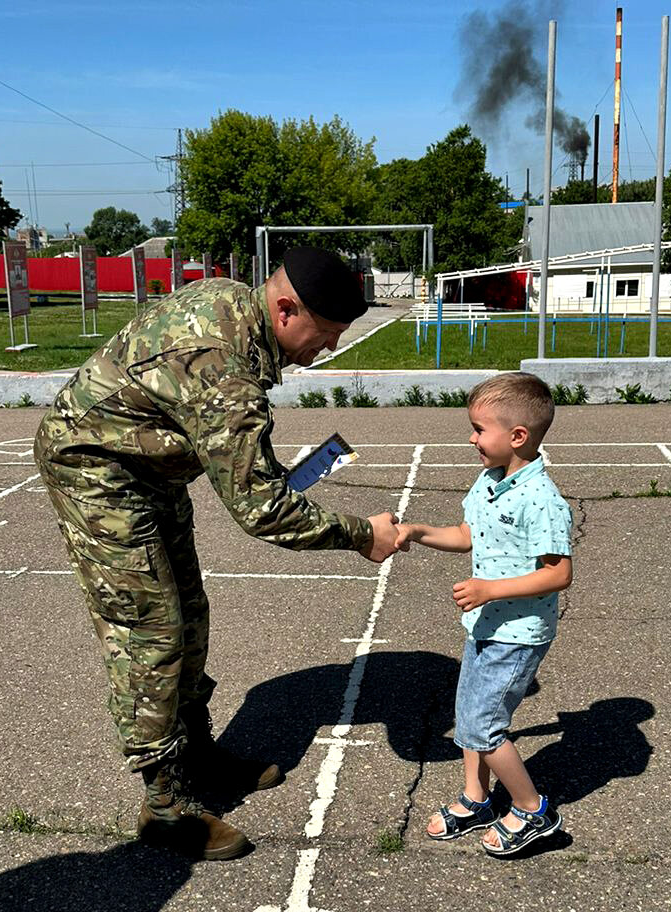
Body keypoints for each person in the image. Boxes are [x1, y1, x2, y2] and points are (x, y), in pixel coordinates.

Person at [34, 247, 402, 861]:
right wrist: (365, 535)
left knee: (190, 613)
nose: (327, 349)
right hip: (96, 470)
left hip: (147, 467)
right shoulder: (223, 362)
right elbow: (260, 511)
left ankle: (197, 755)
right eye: (327, 334)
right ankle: (165, 805)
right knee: (151, 630)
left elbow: (238, 459)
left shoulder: (240, 309)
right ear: (286, 309)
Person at [395, 372, 573, 856]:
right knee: (470, 714)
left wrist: (490, 589)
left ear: (517, 436)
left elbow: (558, 574)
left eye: (478, 429)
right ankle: (477, 799)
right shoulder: (490, 481)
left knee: (483, 725)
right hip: (485, 626)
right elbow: (467, 534)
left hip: (517, 634)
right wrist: (415, 531)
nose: (471, 438)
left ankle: (533, 809)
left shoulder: (542, 499)